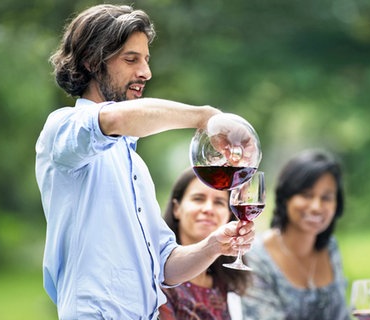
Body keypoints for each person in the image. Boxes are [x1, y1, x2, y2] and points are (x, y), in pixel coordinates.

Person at [35, 4, 255, 319]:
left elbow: (166, 265)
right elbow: (116, 119)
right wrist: (205, 117)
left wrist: (214, 245)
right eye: (131, 59)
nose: (146, 72)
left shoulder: (133, 164)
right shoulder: (64, 129)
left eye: (146, 60)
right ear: (91, 62)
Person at [241, 149, 350, 320]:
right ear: (286, 198)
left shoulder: (330, 247)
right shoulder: (257, 257)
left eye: (326, 197)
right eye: (306, 195)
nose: (316, 206)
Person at [159, 168, 251, 320]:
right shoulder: (159, 278)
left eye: (219, 202)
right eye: (198, 198)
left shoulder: (228, 283)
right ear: (177, 209)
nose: (208, 209)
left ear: (229, 214)